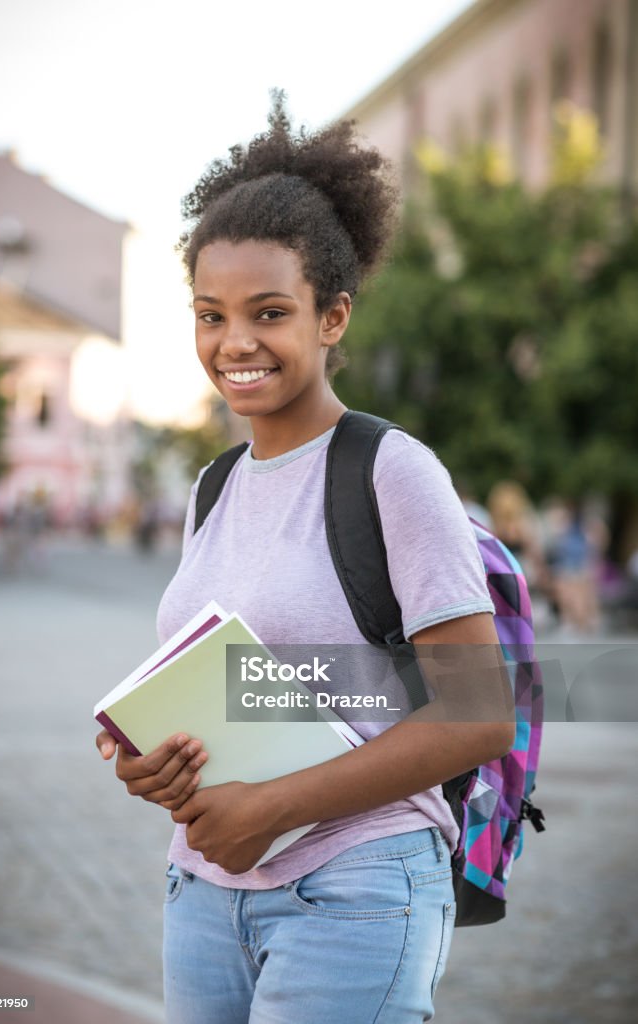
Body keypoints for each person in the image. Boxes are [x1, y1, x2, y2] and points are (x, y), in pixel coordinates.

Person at [95, 93, 513, 1023]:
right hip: (201, 893)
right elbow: (240, 684)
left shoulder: (391, 472)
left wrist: (274, 806)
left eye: (268, 312)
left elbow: (480, 712)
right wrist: (155, 762)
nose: (233, 342)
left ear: (332, 317)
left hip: (355, 889)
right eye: (210, 314)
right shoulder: (214, 486)